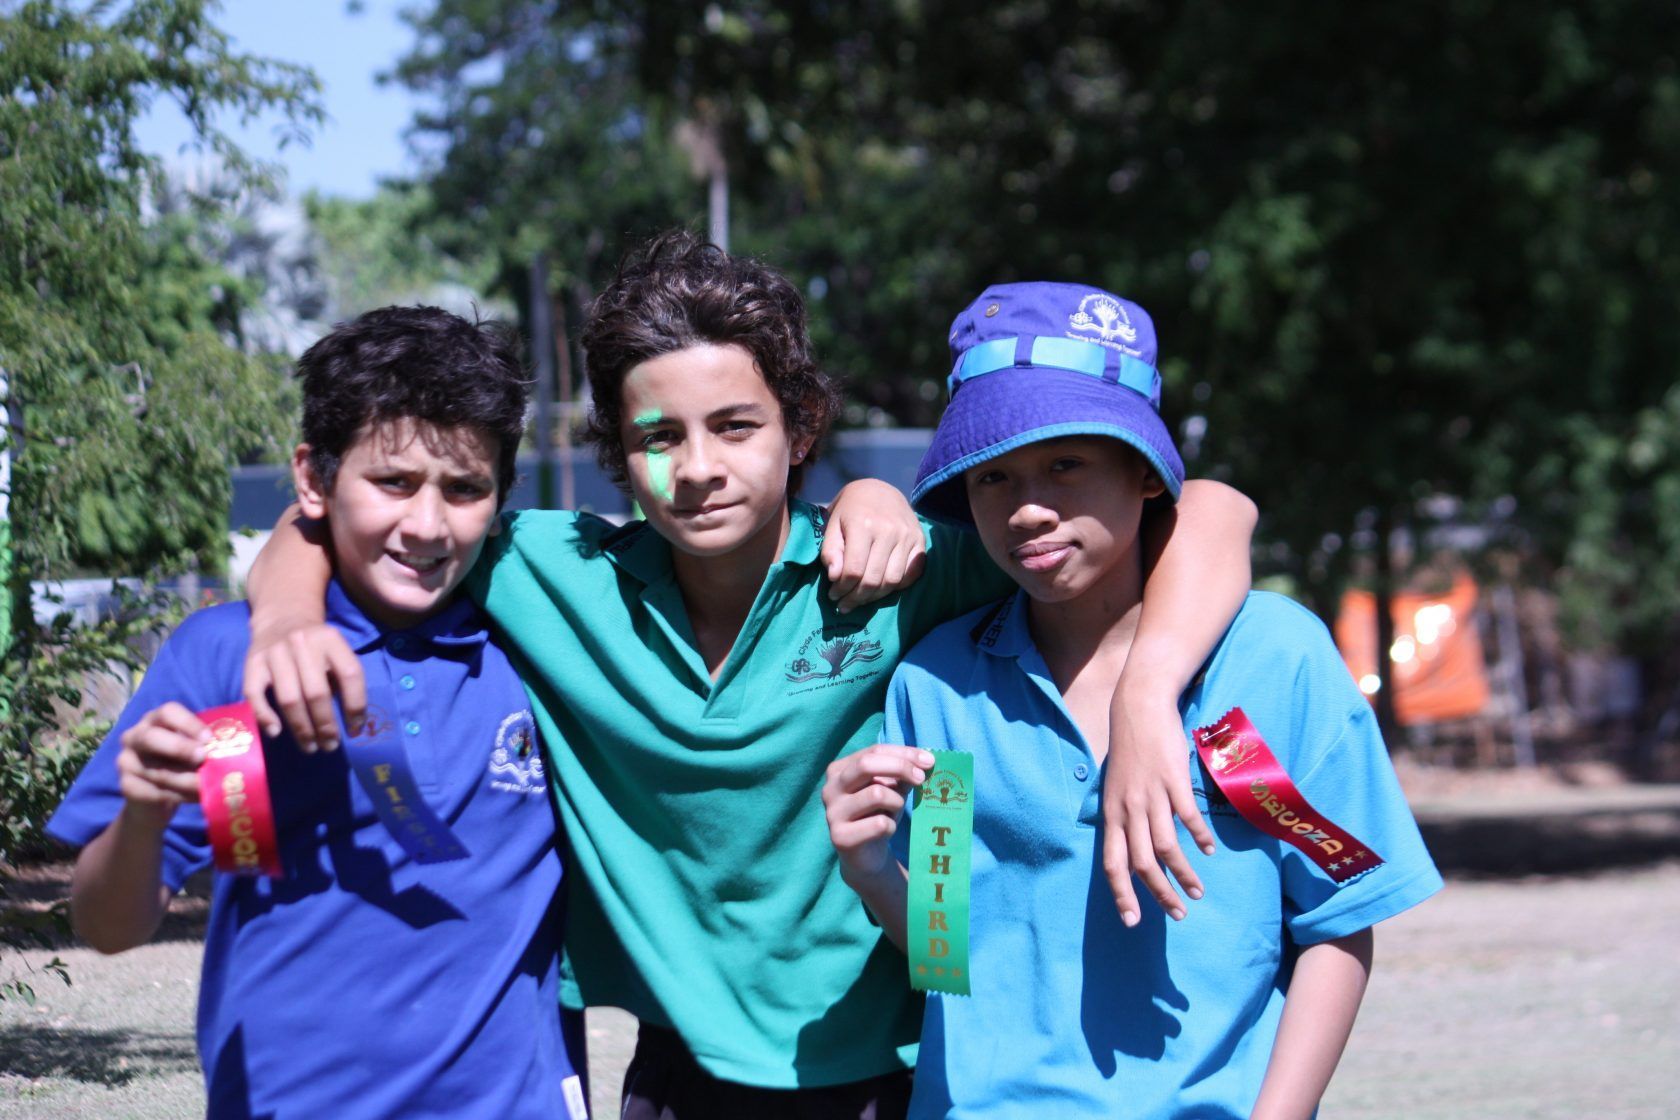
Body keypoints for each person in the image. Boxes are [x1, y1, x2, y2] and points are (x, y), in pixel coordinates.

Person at [242, 233, 1258, 1117]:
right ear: (616, 452)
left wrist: (1145, 692)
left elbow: (1211, 508)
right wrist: (284, 615)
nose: (696, 466)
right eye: (657, 436)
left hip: (894, 1071)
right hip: (677, 1075)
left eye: (734, 426)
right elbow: (320, 518)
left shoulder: (898, 565)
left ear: (799, 428)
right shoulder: (543, 574)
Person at [824, 282, 1444, 1120]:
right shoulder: (938, 687)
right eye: (994, 477)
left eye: (1066, 464)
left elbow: (1339, 918)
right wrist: (870, 872)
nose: (1029, 509)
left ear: (1145, 473)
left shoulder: (1275, 661)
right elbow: (946, 949)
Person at [48, 306, 592, 1120]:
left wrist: (861, 494)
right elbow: (107, 928)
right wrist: (143, 816)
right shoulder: (223, 658)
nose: (428, 524)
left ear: (502, 497)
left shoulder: (545, 640)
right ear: (313, 479)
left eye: (466, 488)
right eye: (393, 482)